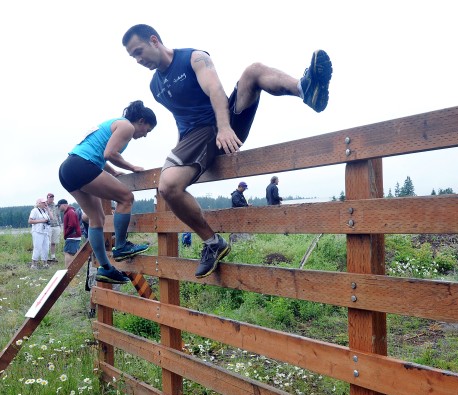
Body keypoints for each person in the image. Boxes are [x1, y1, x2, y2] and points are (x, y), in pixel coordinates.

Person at [122, 24, 332, 278]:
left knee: (252, 72)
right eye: (133, 56)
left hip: (223, 123)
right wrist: (180, 152)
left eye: (139, 51)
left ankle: (305, 89)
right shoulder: (155, 87)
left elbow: (215, 90)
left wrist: (223, 127)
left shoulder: (194, 58)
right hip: (198, 136)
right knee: (167, 186)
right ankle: (213, 243)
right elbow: (182, 118)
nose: (138, 60)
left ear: (154, 40)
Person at [58, 100, 157, 284]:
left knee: (97, 219)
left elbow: (100, 152)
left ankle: (106, 269)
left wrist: (113, 172)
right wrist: (131, 167)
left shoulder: (113, 123)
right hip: (82, 165)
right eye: (147, 130)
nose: (145, 135)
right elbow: (109, 153)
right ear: (141, 121)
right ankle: (120, 246)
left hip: (67, 168)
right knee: (126, 197)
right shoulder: (126, 126)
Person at [56, 199, 82, 269]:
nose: (58, 208)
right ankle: (72, 268)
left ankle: (68, 269)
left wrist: (66, 234)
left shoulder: (70, 212)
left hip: (72, 236)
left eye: (59, 206)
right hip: (73, 236)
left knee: (67, 253)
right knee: (71, 253)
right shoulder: (69, 212)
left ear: (64, 205)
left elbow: (72, 225)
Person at [28, 198, 51, 269]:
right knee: (37, 247)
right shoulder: (34, 210)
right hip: (37, 232)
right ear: (39, 203)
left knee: (46, 248)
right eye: (43, 202)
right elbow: (30, 221)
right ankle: (33, 264)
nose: (45, 203)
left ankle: (45, 263)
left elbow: (51, 218)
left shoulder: (45, 210)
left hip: (45, 232)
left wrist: (48, 209)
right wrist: (42, 221)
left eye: (45, 202)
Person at [45, 192, 62, 263]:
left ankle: (53, 256)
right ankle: (45, 256)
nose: (51, 199)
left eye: (52, 197)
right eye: (50, 197)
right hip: (48, 226)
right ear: (47, 198)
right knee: (47, 242)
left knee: (53, 242)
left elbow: (58, 216)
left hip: (56, 225)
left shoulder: (56, 206)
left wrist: (60, 225)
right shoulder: (44, 205)